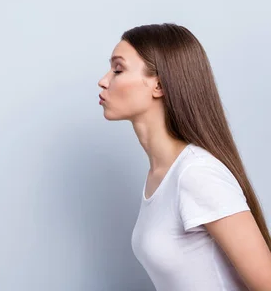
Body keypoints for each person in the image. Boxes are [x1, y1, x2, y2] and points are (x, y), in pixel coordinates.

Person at [98, 23, 271, 290]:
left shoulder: (196, 174)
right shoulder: (160, 175)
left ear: (158, 85)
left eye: (118, 69)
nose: (104, 80)